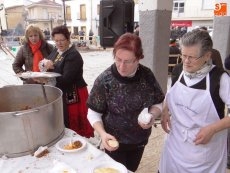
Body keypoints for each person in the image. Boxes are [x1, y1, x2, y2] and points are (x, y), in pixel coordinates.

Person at [87, 33, 165, 172]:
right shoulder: (105, 80)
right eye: (118, 59)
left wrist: (152, 116)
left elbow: (158, 103)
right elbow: (93, 113)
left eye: (128, 61)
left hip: (139, 142)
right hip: (113, 143)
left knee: (131, 170)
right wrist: (102, 134)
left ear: (138, 59)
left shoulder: (147, 75)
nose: (121, 66)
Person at [159, 29, 230, 173]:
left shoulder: (220, 79)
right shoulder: (178, 70)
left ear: (207, 56)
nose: (186, 61)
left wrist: (213, 128)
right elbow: (172, 93)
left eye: (191, 57)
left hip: (204, 151)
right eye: (183, 55)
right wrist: (165, 110)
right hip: (175, 145)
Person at [40, 25, 94, 138]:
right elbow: (48, 62)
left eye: (62, 40)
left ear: (68, 39)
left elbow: (66, 79)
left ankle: (79, 143)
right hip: (63, 91)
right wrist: (43, 72)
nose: (59, 43)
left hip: (74, 93)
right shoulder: (57, 51)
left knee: (75, 124)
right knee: (65, 120)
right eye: (56, 41)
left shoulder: (73, 55)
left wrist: (50, 68)